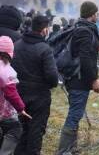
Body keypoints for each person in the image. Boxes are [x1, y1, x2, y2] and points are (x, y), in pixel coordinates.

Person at [56, 1, 99, 154]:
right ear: (92, 14)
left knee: (76, 112)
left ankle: (72, 149)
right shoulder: (85, 31)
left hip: (76, 78)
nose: (98, 15)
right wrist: (94, 79)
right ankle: (63, 151)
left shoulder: (81, 28)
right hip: (79, 79)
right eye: (97, 13)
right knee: (75, 114)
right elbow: (86, 58)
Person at [12, 15, 59, 155]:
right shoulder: (45, 49)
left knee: (21, 130)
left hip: (19, 95)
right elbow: (52, 77)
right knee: (36, 132)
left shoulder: (17, 45)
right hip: (39, 98)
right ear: (44, 30)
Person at [0, 36, 31, 155]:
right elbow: (11, 94)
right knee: (15, 129)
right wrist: (21, 108)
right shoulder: (6, 71)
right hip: (4, 112)